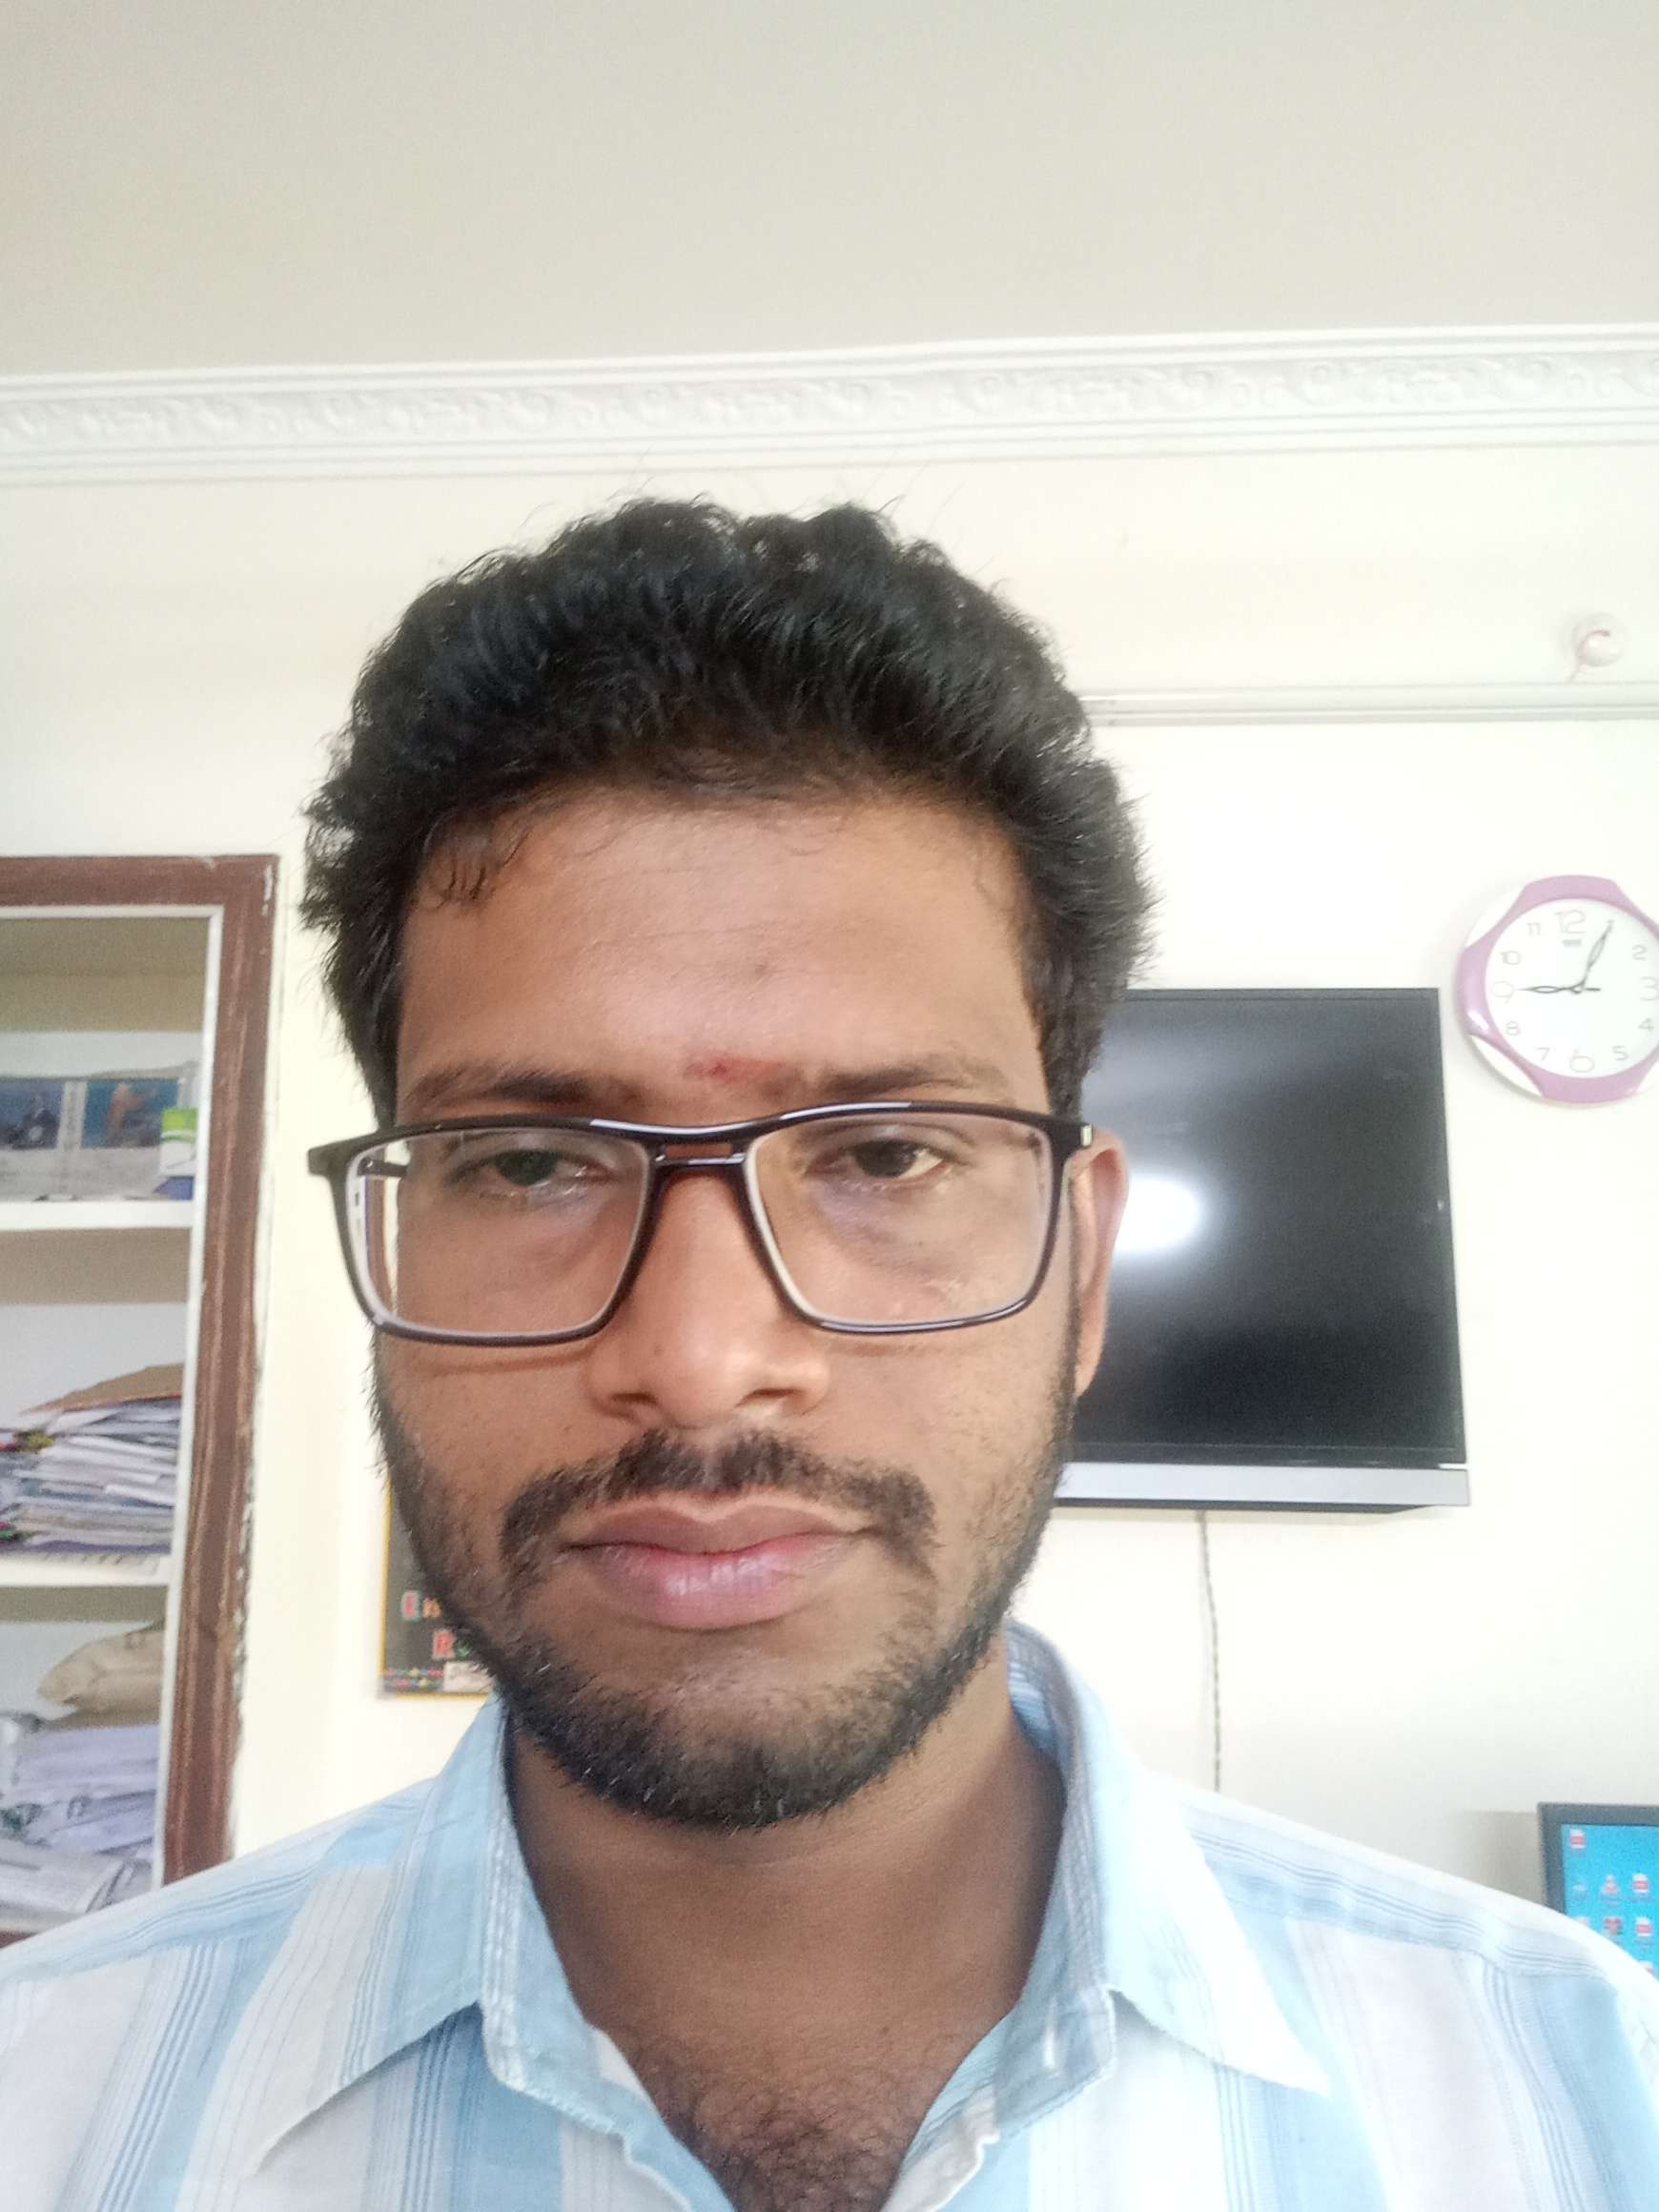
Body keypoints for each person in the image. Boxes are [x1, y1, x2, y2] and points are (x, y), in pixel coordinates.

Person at [2, 501, 1655, 2212]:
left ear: (1082, 1265)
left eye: (883, 1153)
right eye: (533, 1164)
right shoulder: (45, 2109)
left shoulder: (1585, 2102)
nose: (702, 1363)